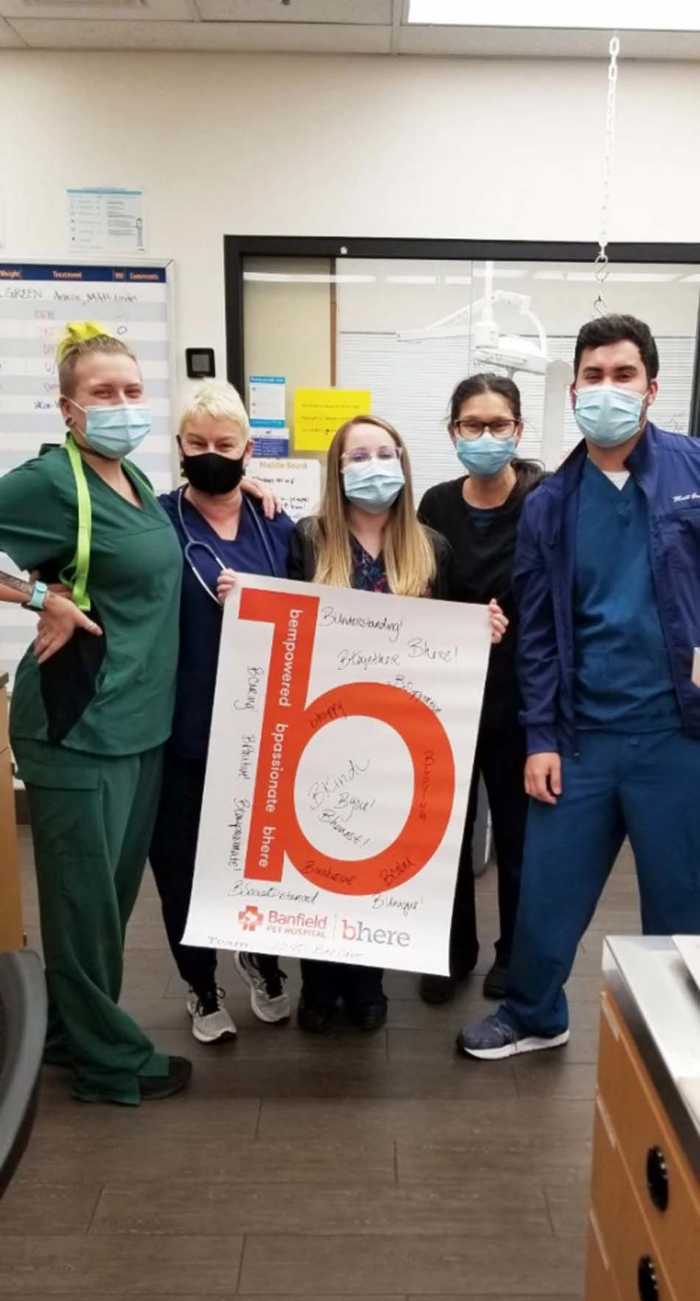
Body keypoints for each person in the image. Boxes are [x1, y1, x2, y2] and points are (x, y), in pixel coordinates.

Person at [458, 313, 700, 1061]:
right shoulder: (551, 504)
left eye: (623, 375)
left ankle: (673, 1032)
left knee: (680, 901)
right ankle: (535, 1012)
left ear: (652, 387)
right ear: (572, 390)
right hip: (581, 736)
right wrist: (540, 737)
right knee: (547, 896)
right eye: (593, 376)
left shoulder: (693, 472)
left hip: (677, 735)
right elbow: (534, 632)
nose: (607, 389)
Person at [0, 322, 191, 1104]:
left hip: (140, 726)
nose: (121, 405)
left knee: (107, 906)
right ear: (69, 408)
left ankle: (74, 1031)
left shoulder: (135, 481)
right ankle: (111, 1062)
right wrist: (36, 595)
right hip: (78, 728)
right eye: (103, 394)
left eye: (132, 392)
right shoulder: (55, 481)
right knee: (82, 909)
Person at [287, 413, 507, 1034]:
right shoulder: (307, 539)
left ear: (405, 464)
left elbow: (455, 632)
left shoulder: (429, 546)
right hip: (326, 731)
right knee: (322, 853)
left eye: (386, 452)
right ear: (337, 470)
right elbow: (287, 626)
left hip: (401, 735)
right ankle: (318, 982)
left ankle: (368, 984)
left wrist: (481, 629)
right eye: (358, 456)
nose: (374, 465)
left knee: (375, 858)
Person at [150, 382, 294, 1042]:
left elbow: (311, 609)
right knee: (182, 863)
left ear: (248, 450)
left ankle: (261, 958)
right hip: (182, 723)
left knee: (259, 858)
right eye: (198, 443)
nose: (211, 454)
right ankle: (200, 985)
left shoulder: (277, 525)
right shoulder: (156, 522)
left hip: (264, 727)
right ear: (180, 447)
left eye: (225, 445)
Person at [417, 374, 542, 1004]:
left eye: (499, 425)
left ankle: (513, 956)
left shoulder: (544, 498)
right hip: (449, 696)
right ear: (453, 432)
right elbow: (417, 587)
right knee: (444, 833)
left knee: (520, 838)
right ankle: (449, 951)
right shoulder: (435, 504)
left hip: (523, 698)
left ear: (518, 431)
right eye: (473, 425)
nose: (486, 437)